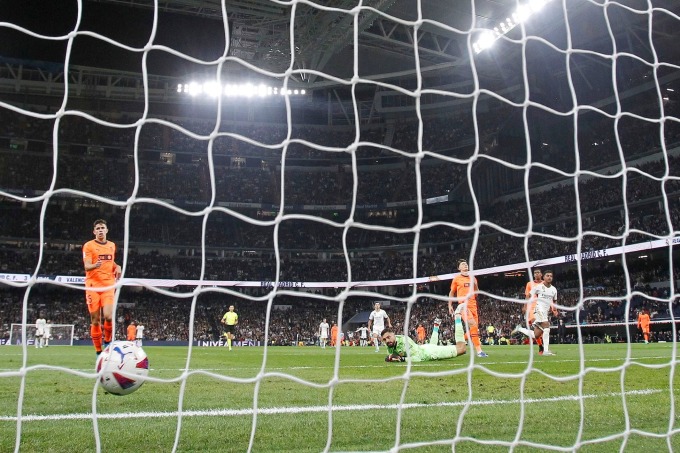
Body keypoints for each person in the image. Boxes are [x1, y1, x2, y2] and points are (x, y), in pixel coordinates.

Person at [83, 219, 122, 356]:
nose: (100, 230)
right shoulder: (88, 246)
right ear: (94, 232)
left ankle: (107, 342)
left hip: (108, 285)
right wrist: (95, 265)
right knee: (95, 320)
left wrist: (117, 266)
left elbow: (110, 262)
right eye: (97, 228)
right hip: (93, 286)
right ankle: (98, 352)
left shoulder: (112, 245)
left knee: (108, 316)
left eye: (102, 228)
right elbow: (87, 265)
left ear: (106, 230)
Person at [382, 315, 466, 363]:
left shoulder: (405, 341)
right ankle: (436, 326)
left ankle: (457, 317)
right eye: (385, 340)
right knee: (432, 345)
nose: (387, 341)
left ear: (393, 334)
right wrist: (390, 357)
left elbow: (418, 357)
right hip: (424, 348)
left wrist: (403, 359)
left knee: (462, 349)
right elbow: (391, 355)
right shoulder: (390, 345)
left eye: (388, 337)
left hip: (429, 353)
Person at [448, 259, 487, 357]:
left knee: (474, 329)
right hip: (463, 306)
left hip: (473, 306)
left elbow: (477, 293)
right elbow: (452, 292)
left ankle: (459, 341)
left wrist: (474, 284)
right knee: (473, 325)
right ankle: (479, 351)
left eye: (466, 264)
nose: (465, 265)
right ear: (459, 268)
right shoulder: (456, 279)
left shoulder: (473, 278)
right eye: (462, 264)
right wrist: (450, 305)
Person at [521, 269, 559, 355]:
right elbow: (528, 295)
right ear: (544, 277)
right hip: (538, 309)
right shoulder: (538, 287)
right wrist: (525, 306)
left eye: (551, 276)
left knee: (537, 334)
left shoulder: (554, 289)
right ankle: (545, 351)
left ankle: (520, 329)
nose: (549, 277)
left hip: (545, 312)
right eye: (547, 276)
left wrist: (555, 310)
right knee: (547, 326)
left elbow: (555, 301)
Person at [513, 268, 545, 354]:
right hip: (532, 307)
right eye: (535, 273)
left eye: (538, 272)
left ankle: (541, 346)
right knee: (536, 326)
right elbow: (527, 296)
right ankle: (541, 347)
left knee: (540, 331)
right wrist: (524, 306)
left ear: (541, 274)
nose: (536, 274)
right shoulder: (529, 284)